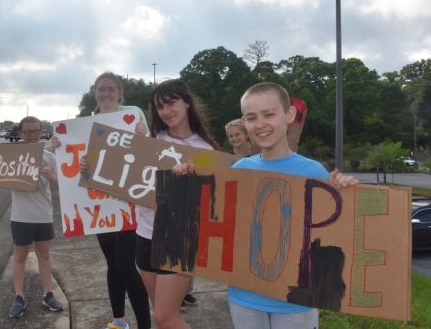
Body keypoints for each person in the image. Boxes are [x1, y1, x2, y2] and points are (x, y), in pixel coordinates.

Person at [228, 82, 358, 329]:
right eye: (251, 118)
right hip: (244, 295)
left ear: (289, 115)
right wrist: (185, 177)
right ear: (244, 122)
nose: (260, 124)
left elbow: (335, 232)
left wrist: (347, 192)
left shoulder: (313, 171)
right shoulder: (239, 170)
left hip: (297, 301)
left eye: (269, 114)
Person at [136, 78, 219, 329]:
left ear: (187, 103)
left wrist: (191, 179)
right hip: (145, 232)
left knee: (167, 318)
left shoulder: (204, 150)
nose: (166, 111)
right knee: (160, 314)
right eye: (160, 106)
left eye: (171, 103)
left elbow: (211, 201)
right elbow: (120, 174)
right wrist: (86, 165)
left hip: (179, 237)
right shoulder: (151, 140)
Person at [80, 72, 152, 329]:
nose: (106, 93)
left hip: (128, 203)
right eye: (101, 89)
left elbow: (149, 153)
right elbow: (76, 159)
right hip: (100, 204)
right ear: (95, 93)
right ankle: (119, 321)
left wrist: (143, 138)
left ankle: (144, 325)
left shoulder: (133, 114)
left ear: (120, 93)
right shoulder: (87, 123)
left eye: (111, 89)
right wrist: (60, 146)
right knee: (112, 265)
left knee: (125, 265)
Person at [8, 116, 64, 318]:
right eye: (27, 131)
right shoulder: (10, 156)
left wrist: (49, 174)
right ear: (20, 133)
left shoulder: (49, 157)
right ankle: (19, 297)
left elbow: (62, 185)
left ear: (41, 133)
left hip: (43, 214)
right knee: (20, 255)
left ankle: (48, 294)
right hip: (20, 214)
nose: (32, 135)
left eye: (36, 131)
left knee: (44, 254)